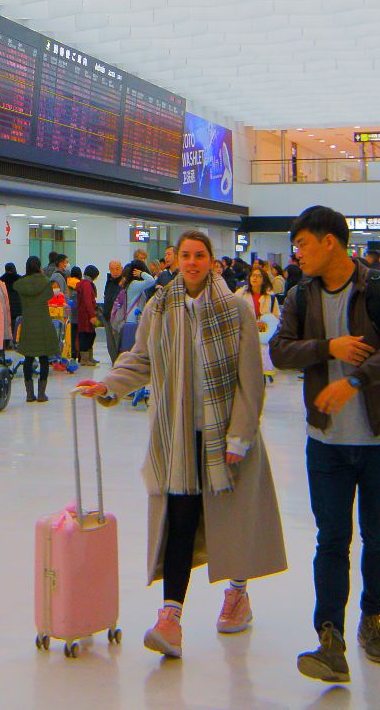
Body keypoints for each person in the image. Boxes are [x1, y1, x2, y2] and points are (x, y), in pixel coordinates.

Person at [77, 231, 286, 660]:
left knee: (233, 519)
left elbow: (251, 382)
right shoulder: (160, 306)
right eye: (185, 255)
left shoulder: (235, 310)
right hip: (177, 434)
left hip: (226, 434)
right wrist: (109, 385)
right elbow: (141, 359)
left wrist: (240, 436)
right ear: (175, 260)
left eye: (200, 255)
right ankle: (170, 618)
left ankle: (238, 594)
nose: (192, 262)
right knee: (180, 521)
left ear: (212, 261)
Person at [268, 206, 380, 684]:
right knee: (331, 539)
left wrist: (354, 380)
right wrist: (327, 348)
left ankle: (372, 619)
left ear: (329, 242)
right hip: (326, 442)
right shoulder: (300, 296)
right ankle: (329, 637)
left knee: (379, 536)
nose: (298, 253)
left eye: (303, 244)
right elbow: (279, 349)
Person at [13, 256, 58, 401]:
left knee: (28, 357)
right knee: (44, 357)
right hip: (43, 322)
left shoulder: (21, 284)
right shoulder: (45, 282)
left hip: (27, 323)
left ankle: (29, 394)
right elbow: (50, 295)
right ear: (39, 266)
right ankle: (41, 394)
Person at [72, 265, 101, 366]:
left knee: (89, 335)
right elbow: (88, 301)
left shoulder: (83, 284)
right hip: (87, 315)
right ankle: (85, 359)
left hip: (83, 314)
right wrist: (92, 315)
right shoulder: (87, 285)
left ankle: (88, 357)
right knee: (87, 336)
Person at [101, 260, 127, 360]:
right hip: (107, 316)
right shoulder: (109, 281)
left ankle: (120, 363)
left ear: (121, 269)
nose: (115, 271)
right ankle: (114, 363)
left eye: (117, 269)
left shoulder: (124, 283)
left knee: (118, 342)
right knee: (110, 344)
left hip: (118, 318)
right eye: (112, 269)